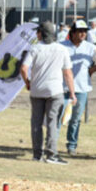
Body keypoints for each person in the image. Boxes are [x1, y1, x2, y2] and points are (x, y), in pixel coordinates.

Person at [20, 21, 76, 164]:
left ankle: (37, 154)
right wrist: (72, 93)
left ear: (41, 33)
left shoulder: (35, 48)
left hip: (37, 90)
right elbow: (68, 73)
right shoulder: (62, 49)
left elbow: (23, 69)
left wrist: (28, 82)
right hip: (55, 90)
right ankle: (51, 154)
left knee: (36, 123)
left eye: (38, 32)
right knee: (52, 122)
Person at [59, 20, 96, 154]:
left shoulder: (91, 48)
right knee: (58, 117)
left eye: (85, 31)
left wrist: (92, 70)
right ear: (73, 32)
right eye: (80, 31)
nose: (83, 34)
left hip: (82, 88)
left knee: (75, 119)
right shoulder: (61, 46)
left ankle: (72, 145)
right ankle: (51, 144)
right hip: (62, 88)